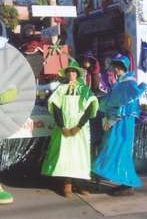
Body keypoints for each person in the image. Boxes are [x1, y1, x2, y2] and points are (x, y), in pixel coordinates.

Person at [41, 60, 99, 199]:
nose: (72, 74)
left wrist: (79, 127)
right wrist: (62, 127)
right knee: (65, 155)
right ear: (66, 74)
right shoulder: (61, 89)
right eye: (69, 72)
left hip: (80, 130)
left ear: (77, 74)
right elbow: (55, 107)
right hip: (64, 128)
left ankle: (79, 184)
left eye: (74, 72)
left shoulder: (85, 90)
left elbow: (91, 107)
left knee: (79, 155)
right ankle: (67, 185)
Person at [92, 56, 146, 196]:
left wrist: (111, 120)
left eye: (120, 66)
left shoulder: (129, 84)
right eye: (115, 66)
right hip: (116, 122)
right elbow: (110, 102)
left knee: (120, 150)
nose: (116, 69)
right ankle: (124, 182)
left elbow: (126, 106)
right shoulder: (120, 83)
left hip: (123, 124)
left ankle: (127, 183)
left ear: (125, 68)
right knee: (113, 148)